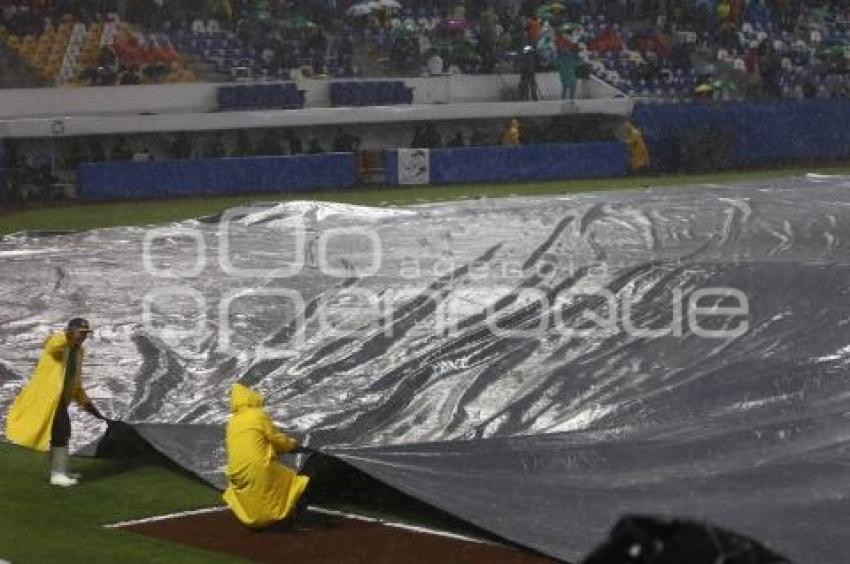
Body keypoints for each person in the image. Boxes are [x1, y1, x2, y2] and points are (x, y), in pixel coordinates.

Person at [5, 318, 105, 487]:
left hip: (60, 402)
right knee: (60, 432)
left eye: (86, 334)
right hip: (47, 400)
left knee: (64, 433)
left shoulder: (78, 351)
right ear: (70, 332)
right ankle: (58, 474)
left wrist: (87, 405)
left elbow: (75, 383)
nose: (83, 337)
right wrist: (68, 335)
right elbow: (54, 344)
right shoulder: (58, 343)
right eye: (80, 333)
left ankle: (63, 470)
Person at [223, 383, 310, 528]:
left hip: (235, 471)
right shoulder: (258, 415)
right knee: (296, 483)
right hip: (258, 467)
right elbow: (276, 438)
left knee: (259, 493)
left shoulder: (232, 422)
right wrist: (294, 446)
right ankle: (299, 521)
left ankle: (258, 520)